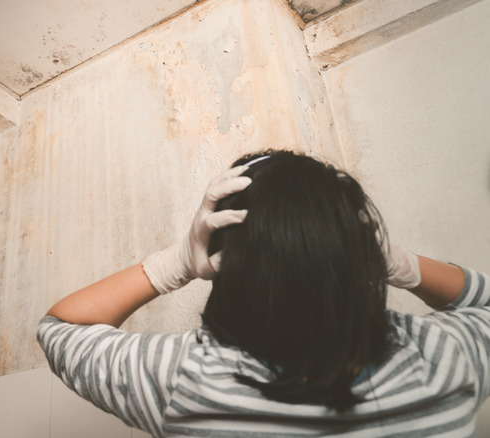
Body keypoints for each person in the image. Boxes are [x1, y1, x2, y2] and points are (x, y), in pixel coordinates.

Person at [37, 150, 488, 437]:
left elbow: (60, 326)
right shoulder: (441, 360)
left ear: (226, 262)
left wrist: (174, 264)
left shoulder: (186, 380)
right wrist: (397, 262)